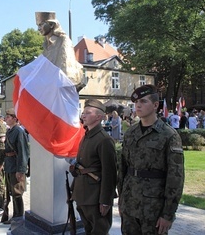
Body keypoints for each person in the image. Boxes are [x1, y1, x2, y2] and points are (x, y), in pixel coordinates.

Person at [118, 84, 184, 235]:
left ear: (155, 105)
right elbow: (122, 169)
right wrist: (122, 201)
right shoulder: (130, 133)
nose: (138, 106)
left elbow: (176, 177)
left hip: (153, 207)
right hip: (129, 204)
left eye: (143, 101)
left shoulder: (169, 135)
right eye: (136, 103)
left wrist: (168, 214)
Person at [70, 99, 117, 235]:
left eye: (88, 113)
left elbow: (110, 173)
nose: (83, 115)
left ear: (99, 117)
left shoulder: (104, 140)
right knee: (88, 230)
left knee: (99, 231)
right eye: (83, 112)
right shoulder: (87, 136)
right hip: (82, 193)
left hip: (95, 196)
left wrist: (105, 200)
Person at [35, 11, 86, 92]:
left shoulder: (63, 40)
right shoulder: (45, 46)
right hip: (49, 89)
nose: (38, 28)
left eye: (41, 24)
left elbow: (66, 70)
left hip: (61, 90)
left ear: (51, 25)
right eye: (38, 25)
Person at [2, 108, 30, 224]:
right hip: (9, 164)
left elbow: (23, 151)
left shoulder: (19, 131)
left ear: (15, 118)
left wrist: (21, 170)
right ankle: (15, 216)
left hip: (15, 165)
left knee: (17, 192)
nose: (6, 118)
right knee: (11, 191)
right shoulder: (10, 131)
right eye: (6, 116)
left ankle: (18, 217)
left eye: (8, 117)